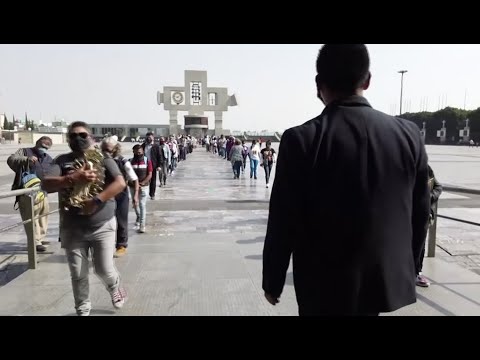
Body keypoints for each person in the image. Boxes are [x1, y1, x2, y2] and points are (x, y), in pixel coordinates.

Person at [262, 44, 430, 316]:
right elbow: (420, 213)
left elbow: (283, 219)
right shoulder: (408, 134)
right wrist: (406, 267)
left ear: (319, 84)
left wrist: (273, 280)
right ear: (367, 80)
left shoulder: (301, 139)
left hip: (323, 287)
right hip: (382, 282)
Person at [42, 121, 127, 316]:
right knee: (78, 273)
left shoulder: (103, 159)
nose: (78, 139)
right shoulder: (61, 161)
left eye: (82, 135)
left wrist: (97, 200)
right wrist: (71, 178)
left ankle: (114, 287)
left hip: (102, 225)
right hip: (73, 228)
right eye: (73, 135)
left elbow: (120, 183)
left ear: (91, 137)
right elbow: (46, 184)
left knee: (103, 269)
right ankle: (82, 309)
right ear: (68, 139)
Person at [7, 136, 53, 253]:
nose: (44, 149)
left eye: (47, 147)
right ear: (37, 143)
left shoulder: (48, 158)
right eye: (42, 146)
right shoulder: (25, 151)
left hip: (43, 193)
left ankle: (40, 238)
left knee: (43, 216)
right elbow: (10, 160)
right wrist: (26, 159)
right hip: (27, 193)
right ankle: (35, 242)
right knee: (31, 218)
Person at [101, 136, 139, 258]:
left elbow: (134, 178)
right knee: (104, 221)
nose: (107, 153)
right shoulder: (100, 161)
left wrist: (136, 195)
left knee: (121, 220)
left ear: (116, 149)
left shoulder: (123, 161)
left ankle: (121, 245)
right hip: (105, 194)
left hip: (121, 194)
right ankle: (104, 245)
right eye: (105, 150)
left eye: (110, 150)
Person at [416, 165, 443, 287]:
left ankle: (417, 273)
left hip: (423, 215)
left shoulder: (426, 168)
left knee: (420, 246)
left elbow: (438, 186)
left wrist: (430, 197)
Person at [130, 144, 153, 234]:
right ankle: (138, 216)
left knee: (142, 205)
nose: (138, 154)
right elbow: (128, 175)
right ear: (133, 152)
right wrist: (134, 184)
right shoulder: (130, 161)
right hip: (132, 186)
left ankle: (142, 225)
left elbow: (150, 174)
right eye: (136, 152)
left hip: (144, 186)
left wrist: (142, 183)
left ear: (143, 151)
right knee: (135, 204)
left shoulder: (147, 161)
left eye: (139, 152)